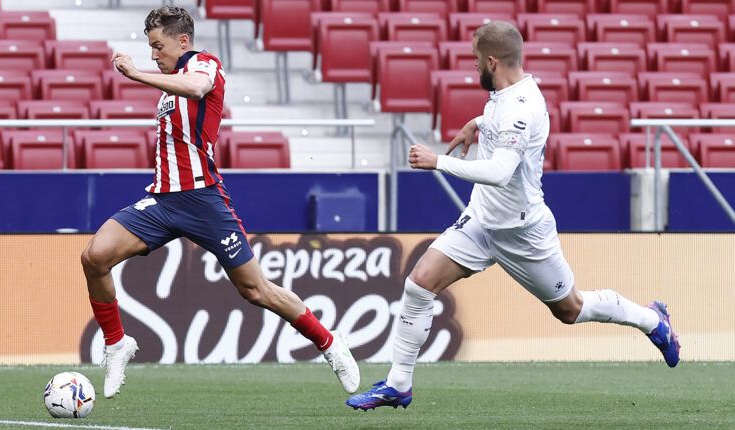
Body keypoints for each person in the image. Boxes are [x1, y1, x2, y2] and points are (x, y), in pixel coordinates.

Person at [346, 21, 680, 411]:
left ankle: (651, 320)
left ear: (492, 61)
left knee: (570, 309)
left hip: (522, 231)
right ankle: (398, 384)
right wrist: (479, 122)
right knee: (420, 284)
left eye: (475, 61)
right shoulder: (504, 95)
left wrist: (438, 162)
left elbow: (502, 171)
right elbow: (500, 122)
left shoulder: (523, 107)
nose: (473, 68)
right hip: (482, 221)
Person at [81, 6, 359, 399]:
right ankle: (116, 344)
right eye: (149, 48)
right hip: (162, 202)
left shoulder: (205, 65)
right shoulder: (170, 79)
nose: (153, 54)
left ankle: (330, 345)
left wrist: (136, 75)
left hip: (203, 200)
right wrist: (153, 76)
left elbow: (196, 88)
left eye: (158, 46)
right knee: (94, 257)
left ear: (182, 41)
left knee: (256, 290)